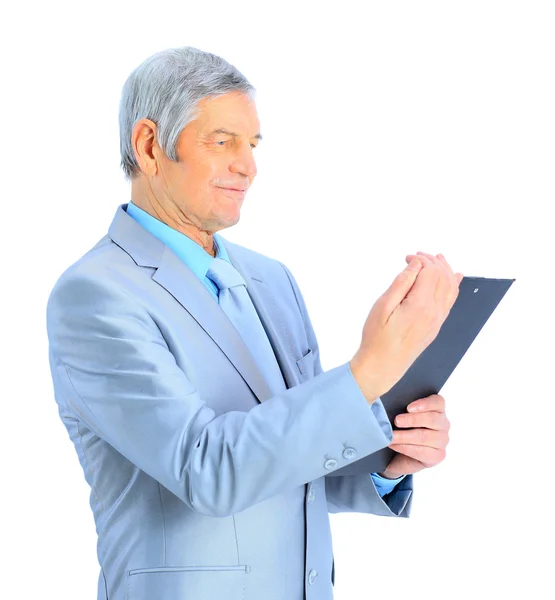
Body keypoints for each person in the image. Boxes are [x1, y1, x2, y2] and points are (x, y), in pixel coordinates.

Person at [46, 46, 462, 600]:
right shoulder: (95, 297)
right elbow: (207, 471)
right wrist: (368, 371)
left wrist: (386, 461)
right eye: (222, 141)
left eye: (252, 144)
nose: (248, 165)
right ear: (149, 147)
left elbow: (291, 463)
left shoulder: (272, 280)